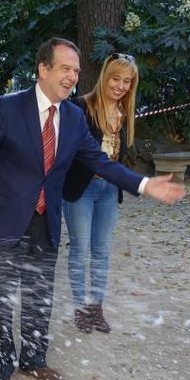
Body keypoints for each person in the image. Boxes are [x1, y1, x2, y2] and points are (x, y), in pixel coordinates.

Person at [0, 38, 185, 380]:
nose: (73, 77)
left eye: (77, 71)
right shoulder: (9, 107)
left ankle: (33, 360)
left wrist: (144, 184)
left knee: (38, 296)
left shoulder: (76, 117)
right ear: (43, 69)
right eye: (66, 68)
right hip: (5, 219)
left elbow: (101, 162)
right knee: (0, 299)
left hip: (46, 220)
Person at [62, 53, 138, 335]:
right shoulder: (80, 107)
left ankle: (96, 307)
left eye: (126, 81)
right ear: (104, 76)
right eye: (115, 78)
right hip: (81, 189)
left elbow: (119, 155)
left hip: (109, 190)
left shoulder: (126, 112)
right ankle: (80, 307)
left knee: (102, 251)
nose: (120, 85)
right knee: (80, 250)